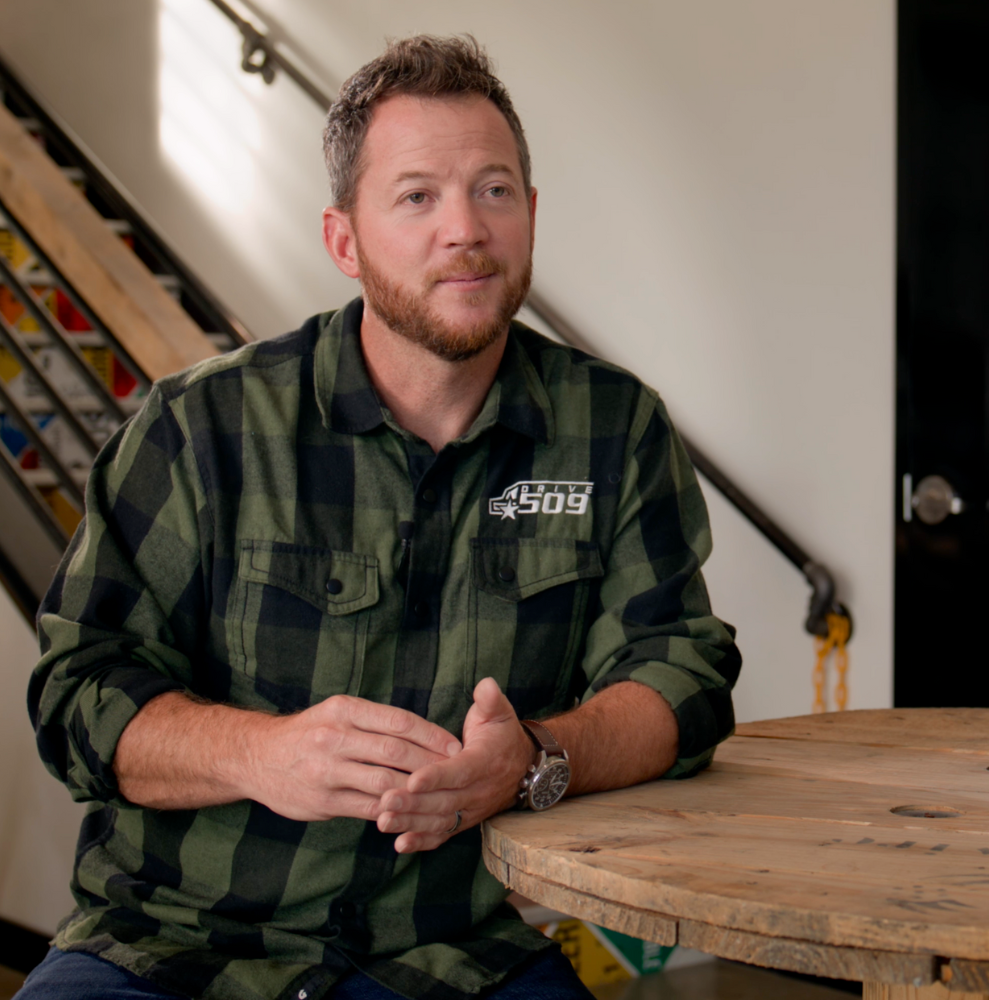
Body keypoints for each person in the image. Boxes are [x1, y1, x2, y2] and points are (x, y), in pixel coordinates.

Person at [22, 34, 741, 1000]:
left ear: (530, 215)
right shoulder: (201, 428)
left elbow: (682, 674)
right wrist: (260, 753)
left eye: (493, 190)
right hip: (168, 951)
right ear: (344, 240)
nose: (465, 229)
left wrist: (537, 758)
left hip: (460, 957)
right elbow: (76, 692)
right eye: (417, 196)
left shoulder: (612, 431)